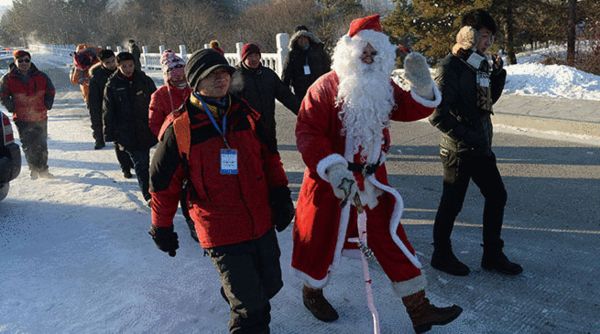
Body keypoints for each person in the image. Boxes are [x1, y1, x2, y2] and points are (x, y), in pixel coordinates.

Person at [292, 15, 462, 333]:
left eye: (375, 54)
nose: (368, 59)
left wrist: (424, 88)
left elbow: (408, 108)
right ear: (348, 53)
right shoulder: (323, 88)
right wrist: (334, 169)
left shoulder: (383, 86)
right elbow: (308, 133)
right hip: (331, 182)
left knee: (390, 238)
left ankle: (419, 309)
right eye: (363, 53)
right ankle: (312, 291)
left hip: (371, 182)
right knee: (320, 241)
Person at [148, 49, 294, 333]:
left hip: (259, 218)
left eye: (224, 73)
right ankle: (243, 309)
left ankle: (238, 294)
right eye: (211, 75)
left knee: (270, 285)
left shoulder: (247, 115)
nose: (221, 79)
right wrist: (161, 227)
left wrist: (280, 194)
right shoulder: (181, 128)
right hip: (219, 227)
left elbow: (270, 158)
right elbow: (163, 186)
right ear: (195, 81)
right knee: (251, 309)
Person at [428, 9, 522, 276]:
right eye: (483, 36)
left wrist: (497, 76)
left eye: (491, 37)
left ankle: (492, 255)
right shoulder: (451, 66)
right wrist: (467, 136)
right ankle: (441, 254)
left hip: (479, 146)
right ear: (468, 35)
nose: (488, 42)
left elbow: (485, 103)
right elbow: (437, 115)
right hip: (458, 149)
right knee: (452, 203)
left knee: (497, 195)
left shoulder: (478, 64)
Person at [148, 49, 196, 241]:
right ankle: (193, 224)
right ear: (166, 73)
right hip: (175, 149)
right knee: (182, 190)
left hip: (199, 146)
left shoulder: (195, 88)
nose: (178, 72)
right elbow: (154, 124)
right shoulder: (160, 95)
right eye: (172, 69)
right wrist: (171, 138)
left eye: (180, 67)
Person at [103, 52, 157, 203]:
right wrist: (110, 134)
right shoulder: (112, 85)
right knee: (141, 163)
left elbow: (156, 103)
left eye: (130, 65)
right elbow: (108, 111)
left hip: (145, 129)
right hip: (126, 131)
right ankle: (148, 196)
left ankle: (152, 190)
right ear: (118, 66)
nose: (128, 69)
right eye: (124, 66)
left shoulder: (144, 81)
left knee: (146, 162)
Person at [230, 43, 300, 149]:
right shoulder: (236, 77)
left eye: (256, 56)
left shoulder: (268, 75)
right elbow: (229, 104)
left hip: (268, 127)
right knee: (251, 160)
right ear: (243, 58)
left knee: (271, 159)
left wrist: (303, 112)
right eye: (250, 56)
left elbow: (286, 96)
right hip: (245, 130)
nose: (254, 59)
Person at [0, 50, 55, 179]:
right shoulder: (7, 79)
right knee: (28, 144)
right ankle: (34, 168)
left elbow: (51, 90)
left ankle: (43, 169)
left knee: (41, 143)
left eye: (26, 60)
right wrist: (11, 107)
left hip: (40, 116)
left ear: (30, 61)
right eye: (20, 61)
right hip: (21, 117)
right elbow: (3, 95)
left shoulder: (41, 76)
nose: (24, 63)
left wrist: (48, 104)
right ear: (15, 62)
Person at [88, 49, 135, 177]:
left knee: (132, 139)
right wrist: (98, 130)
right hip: (111, 114)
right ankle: (125, 167)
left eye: (113, 61)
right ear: (102, 63)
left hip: (128, 112)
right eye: (108, 62)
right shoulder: (96, 79)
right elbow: (93, 104)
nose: (112, 64)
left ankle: (131, 162)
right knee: (119, 142)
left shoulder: (124, 72)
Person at [282, 25, 331, 99]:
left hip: (319, 89)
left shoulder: (319, 51)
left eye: (304, 37)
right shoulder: (292, 55)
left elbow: (328, 68)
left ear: (309, 38)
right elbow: (286, 74)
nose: (302, 40)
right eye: (299, 38)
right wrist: (285, 93)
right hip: (301, 92)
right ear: (296, 40)